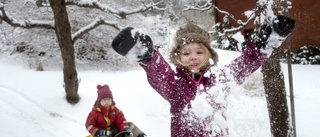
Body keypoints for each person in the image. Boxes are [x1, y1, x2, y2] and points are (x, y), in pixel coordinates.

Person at [111, 15, 295, 137]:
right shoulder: (176, 87)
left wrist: (265, 43)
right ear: (178, 57)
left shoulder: (219, 81)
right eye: (186, 53)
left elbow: (244, 65)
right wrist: (148, 56)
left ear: (208, 54)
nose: (193, 57)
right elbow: (160, 75)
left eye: (199, 51)